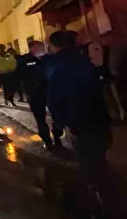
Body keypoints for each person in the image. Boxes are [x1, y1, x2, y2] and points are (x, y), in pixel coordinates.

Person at [46, 30, 112, 190]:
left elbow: (55, 100)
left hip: (78, 123)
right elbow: (103, 83)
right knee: (99, 157)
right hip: (99, 118)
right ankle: (105, 188)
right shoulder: (87, 61)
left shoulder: (56, 68)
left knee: (87, 161)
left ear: (54, 46)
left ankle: (96, 194)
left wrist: (61, 123)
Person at [17, 40, 63, 150]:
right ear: (32, 48)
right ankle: (47, 140)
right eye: (39, 47)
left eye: (42, 47)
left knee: (57, 115)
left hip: (50, 92)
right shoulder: (24, 60)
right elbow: (20, 76)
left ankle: (57, 135)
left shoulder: (49, 58)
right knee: (40, 119)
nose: (43, 49)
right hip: (34, 94)